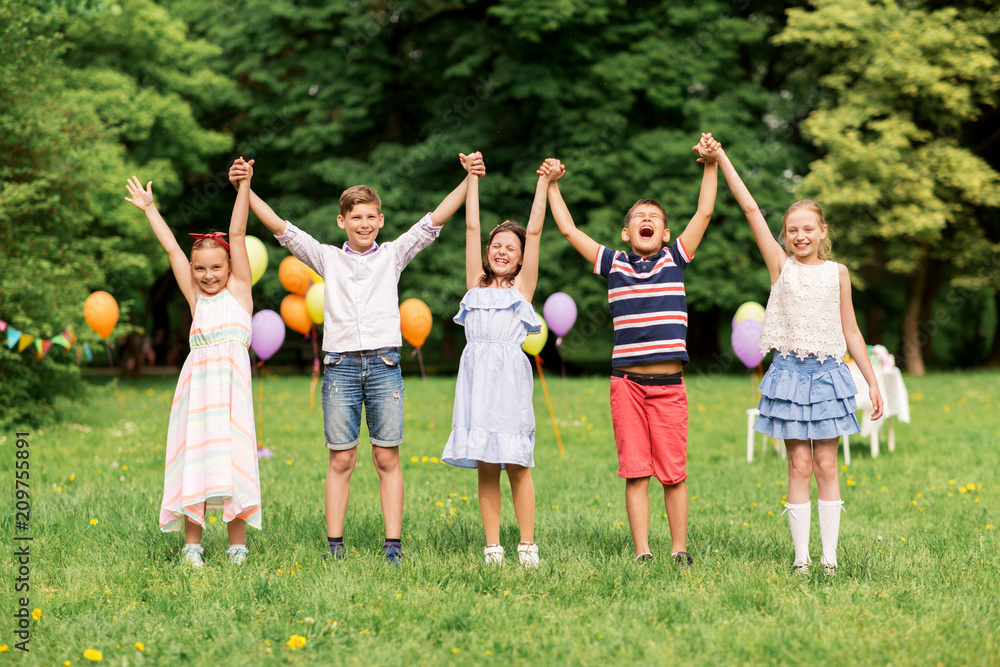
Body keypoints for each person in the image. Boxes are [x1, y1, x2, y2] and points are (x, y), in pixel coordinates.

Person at [227, 153, 484, 563]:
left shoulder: (393, 255)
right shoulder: (328, 257)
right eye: (355, 217)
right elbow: (279, 227)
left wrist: (468, 177)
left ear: (381, 220)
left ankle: (393, 546)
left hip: (384, 366)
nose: (364, 223)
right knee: (342, 457)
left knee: (386, 455)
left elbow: (435, 220)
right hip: (340, 368)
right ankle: (334, 546)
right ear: (341, 222)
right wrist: (246, 187)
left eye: (370, 216)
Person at [546, 134, 720, 566]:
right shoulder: (615, 263)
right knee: (636, 470)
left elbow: (705, 211)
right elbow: (568, 230)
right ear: (627, 232)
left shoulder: (675, 259)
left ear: (664, 233)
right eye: (639, 218)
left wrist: (711, 164)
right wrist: (551, 186)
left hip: (668, 386)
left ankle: (679, 550)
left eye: (654, 218)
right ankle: (643, 551)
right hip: (627, 386)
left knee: (673, 473)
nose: (647, 220)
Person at [713, 147, 884, 575]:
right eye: (792, 230)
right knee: (798, 464)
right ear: (785, 235)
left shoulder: (838, 273)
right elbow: (750, 207)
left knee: (827, 464)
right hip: (789, 376)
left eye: (808, 228)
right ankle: (801, 558)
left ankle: (829, 558)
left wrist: (872, 382)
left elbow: (852, 331)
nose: (800, 236)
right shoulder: (780, 266)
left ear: (823, 230)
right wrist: (721, 159)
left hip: (829, 377)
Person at [125, 164, 262, 568]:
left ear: (231, 268)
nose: (207, 275)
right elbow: (171, 249)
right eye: (199, 268)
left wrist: (244, 187)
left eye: (216, 267)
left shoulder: (239, 291)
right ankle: (192, 545)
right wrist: (150, 209)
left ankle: (237, 545)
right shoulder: (196, 298)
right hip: (198, 393)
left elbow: (236, 233)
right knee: (197, 461)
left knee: (232, 460)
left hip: (232, 398)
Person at [441, 157, 561, 567]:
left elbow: (537, 229)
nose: (502, 251)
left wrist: (544, 183)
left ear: (523, 257)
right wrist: (472, 178)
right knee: (486, 465)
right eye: (497, 246)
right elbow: (472, 228)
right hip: (476, 381)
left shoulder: (523, 289)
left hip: (509, 382)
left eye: (511, 247)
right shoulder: (475, 282)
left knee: (516, 463)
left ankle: (527, 544)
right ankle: (492, 546)